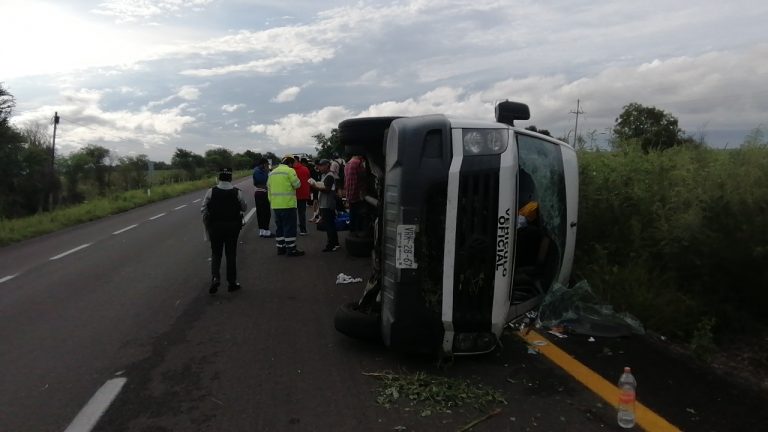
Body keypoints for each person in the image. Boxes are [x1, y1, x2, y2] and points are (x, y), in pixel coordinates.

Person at [201, 168, 247, 293]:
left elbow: (203, 209)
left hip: (215, 227)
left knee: (216, 253)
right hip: (233, 227)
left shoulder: (211, 191)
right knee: (231, 254)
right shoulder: (237, 192)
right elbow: (244, 207)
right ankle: (232, 283)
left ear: (219, 178)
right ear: (230, 178)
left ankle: (215, 278)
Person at [267, 155, 305, 257]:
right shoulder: (290, 171)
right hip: (288, 205)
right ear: (290, 163)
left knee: (279, 228)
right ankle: (291, 249)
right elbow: (297, 185)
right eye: (293, 164)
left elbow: (269, 188)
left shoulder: (272, 173)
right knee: (290, 227)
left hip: (276, 206)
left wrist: (273, 201)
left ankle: (281, 248)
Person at [309, 159, 340, 252]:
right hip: (325, 203)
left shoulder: (329, 176)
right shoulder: (325, 175)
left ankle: (331, 245)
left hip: (327, 204)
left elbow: (327, 189)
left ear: (327, 165)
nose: (319, 168)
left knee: (329, 225)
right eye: (319, 166)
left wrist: (315, 186)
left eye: (321, 165)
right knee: (331, 224)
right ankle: (335, 243)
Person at [344, 154, 367, 234]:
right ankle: (358, 231)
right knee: (359, 214)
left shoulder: (347, 164)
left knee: (352, 213)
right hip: (357, 193)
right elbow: (363, 176)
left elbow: (346, 180)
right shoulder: (358, 163)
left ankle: (352, 230)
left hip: (350, 193)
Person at [252, 158, 273, 238]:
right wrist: (267, 172)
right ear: (264, 164)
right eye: (267, 164)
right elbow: (264, 181)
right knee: (266, 213)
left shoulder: (257, 170)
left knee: (260, 212)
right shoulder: (259, 171)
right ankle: (266, 231)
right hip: (262, 193)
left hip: (259, 193)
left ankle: (262, 230)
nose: (267, 166)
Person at [293, 157, 312, 236]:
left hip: (293, 195)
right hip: (303, 195)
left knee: (293, 213)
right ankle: (303, 230)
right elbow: (309, 180)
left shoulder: (290, 170)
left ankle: (293, 230)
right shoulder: (305, 169)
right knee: (302, 213)